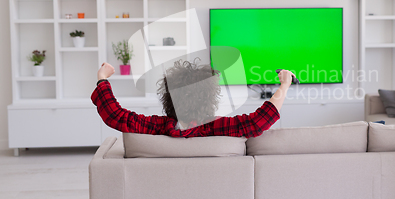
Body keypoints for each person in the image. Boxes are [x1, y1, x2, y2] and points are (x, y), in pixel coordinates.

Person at [91, 60, 295, 138]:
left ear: (168, 96)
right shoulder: (218, 128)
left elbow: (115, 115)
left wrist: (102, 79)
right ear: (210, 97)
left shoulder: (157, 128)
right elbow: (258, 121)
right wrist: (284, 85)